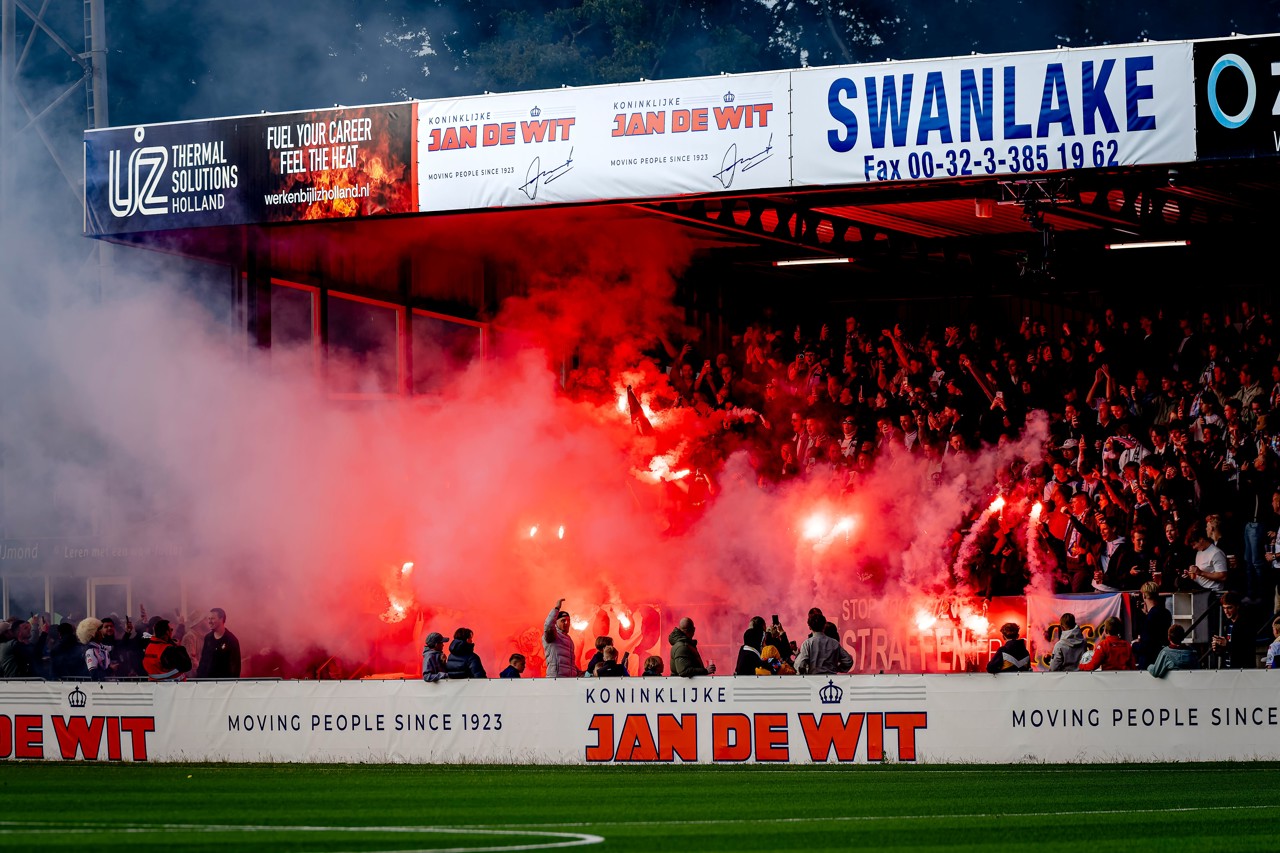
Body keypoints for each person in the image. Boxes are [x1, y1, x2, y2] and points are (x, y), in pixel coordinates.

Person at [795, 608, 853, 674]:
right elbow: (848, 661)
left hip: (813, 678)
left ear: (809, 627)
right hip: (831, 678)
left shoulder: (807, 644)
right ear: (824, 626)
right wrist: (837, 668)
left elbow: (800, 665)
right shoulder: (834, 643)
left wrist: (805, 674)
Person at [1211, 591, 1259, 669]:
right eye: (1224, 608)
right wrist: (1218, 647)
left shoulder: (1247, 623)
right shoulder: (1227, 623)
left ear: (1237, 606)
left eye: (1229, 608)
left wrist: (1226, 644)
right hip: (1227, 669)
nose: (1226, 611)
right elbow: (1225, 651)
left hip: (1242, 670)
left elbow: (1246, 649)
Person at [1132, 582, 1173, 669]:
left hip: (1149, 662)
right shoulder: (1166, 613)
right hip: (1162, 657)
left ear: (1144, 596)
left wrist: (1134, 645)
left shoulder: (1149, 618)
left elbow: (1146, 646)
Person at [195, 607, 241, 678]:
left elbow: (235, 668)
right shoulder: (208, 638)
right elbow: (203, 662)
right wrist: (199, 679)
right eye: (209, 618)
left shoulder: (231, 640)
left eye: (212, 618)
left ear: (221, 619)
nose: (209, 621)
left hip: (223, 683)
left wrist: (230, 683)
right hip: (207, 683)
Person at [542, 598, 579, 678]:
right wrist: (556, 608)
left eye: (568, 620)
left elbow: (568, 663)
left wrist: (577, 672)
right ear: (555, 622)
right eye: (563, 620)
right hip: (556, 679)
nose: (567, 623)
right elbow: (548, 625)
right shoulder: (552, 635)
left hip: (568, 680)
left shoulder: (569, 639)